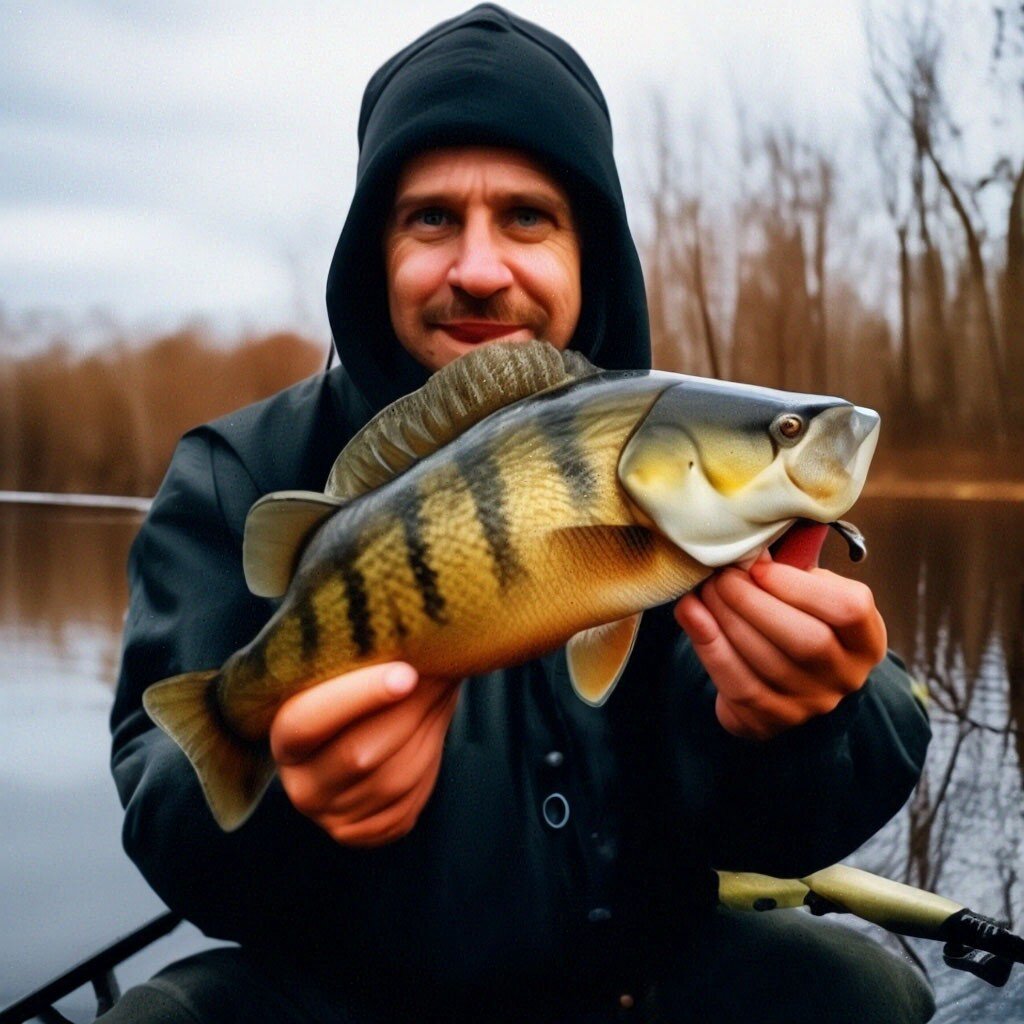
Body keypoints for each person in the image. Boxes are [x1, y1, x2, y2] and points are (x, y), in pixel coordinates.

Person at [106, 6, 935, 1022]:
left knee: (860, 990)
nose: (480, 267)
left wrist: (808, 721)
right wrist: (291, 798)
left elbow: (782, 824)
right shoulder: (240, 472)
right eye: (430, 217)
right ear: (373, 250)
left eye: (529, 216)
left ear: (593, 252)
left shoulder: (700, 488)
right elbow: (166, 802)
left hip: (633, 988)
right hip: (340, 999)